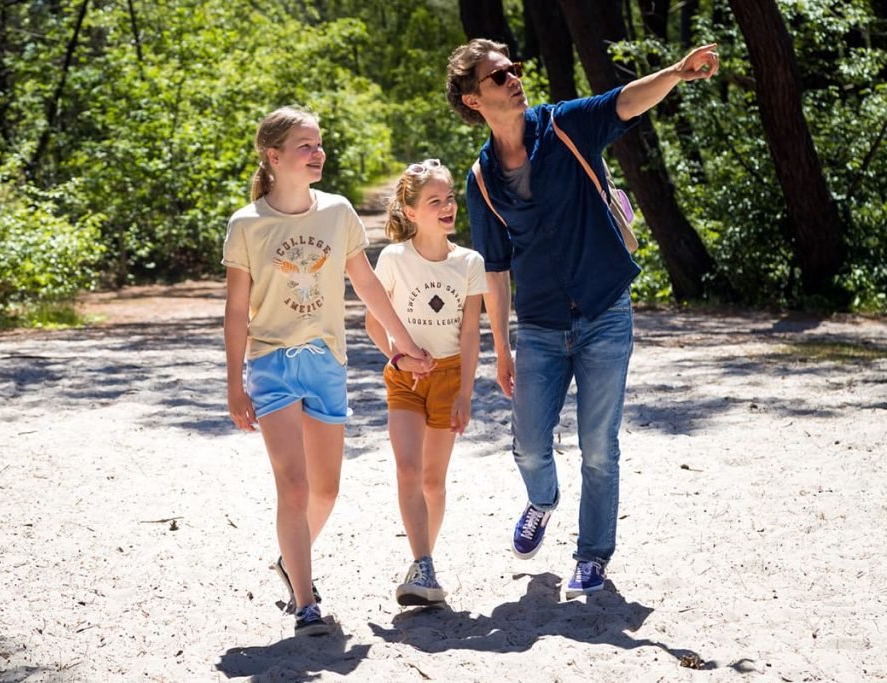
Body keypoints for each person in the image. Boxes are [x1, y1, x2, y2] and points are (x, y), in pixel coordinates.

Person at [445, 40, 719, 598]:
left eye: (515, 69)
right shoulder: (480, 180)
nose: (514, 79)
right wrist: (502, 350)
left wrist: (676, 72)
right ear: (474, 99)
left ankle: (593, 555)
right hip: (541, 327)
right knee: (527, 445)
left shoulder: (566, 126)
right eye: (499, 77)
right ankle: (542, 501)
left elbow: (625, 101)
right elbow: (495, 271)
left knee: (599, 445)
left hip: (604, 312)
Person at [223, 106, 432, 636]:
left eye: (319, 144)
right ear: (273, 157)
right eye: (305, 146)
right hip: (270, 364)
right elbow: (234, 310)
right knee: (292, 487)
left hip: (327, 365)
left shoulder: (337, 212)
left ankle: (290, 561)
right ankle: (304, 601)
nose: (318, 154)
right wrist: (233, 386)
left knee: (326, 491)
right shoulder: (247, 224)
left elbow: (366, 285)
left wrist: (401, 346)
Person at [365, 159, 486, 606]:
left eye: (450, 197)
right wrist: (400, 356)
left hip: (451, 378)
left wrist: (467, 393)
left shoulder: (470, 262)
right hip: (404, 378)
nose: (448, 206)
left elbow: (472, 333)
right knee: (407, 469)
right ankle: (423, 564)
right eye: (435, 200)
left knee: (434, 482)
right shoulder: (394, 259)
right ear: (411, 211)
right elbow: (373, 325)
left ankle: (424, 562)